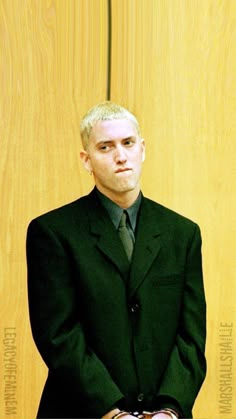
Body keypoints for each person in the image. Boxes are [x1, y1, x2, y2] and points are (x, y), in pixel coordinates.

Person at [26, 101, 207, 419]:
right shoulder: (52, 232)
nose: (120, 156)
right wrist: (113, 412)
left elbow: (191, 338)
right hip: (82, 411)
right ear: (87, 159)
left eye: (128, 143)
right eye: (105, 147)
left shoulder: (183, 233)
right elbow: (59, 335)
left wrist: (169, 409)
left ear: (143, 148)